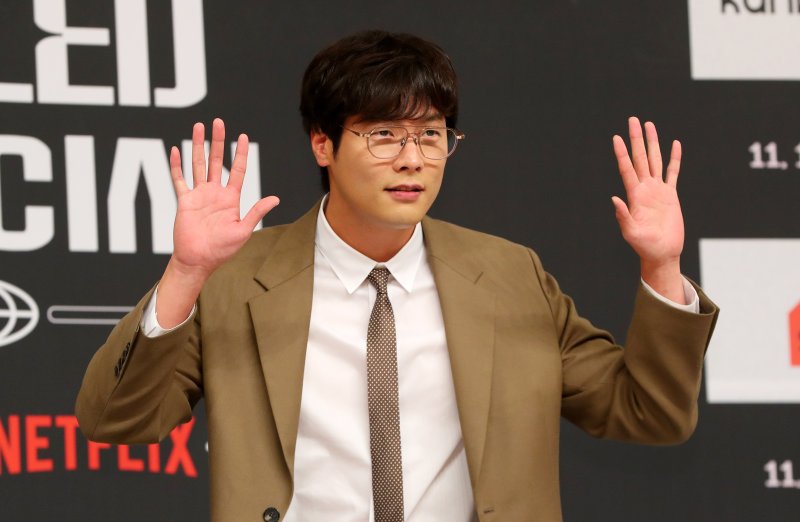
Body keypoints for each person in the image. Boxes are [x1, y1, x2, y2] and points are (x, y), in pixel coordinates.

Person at [76, 30, 718, 522]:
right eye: (383, 134)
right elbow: (114, 421)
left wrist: (661, 266)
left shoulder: (509, 275)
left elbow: (651, 414)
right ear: (323, 144)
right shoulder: (237, 280)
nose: (412, 159)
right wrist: (187, 272)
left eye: (431, 135)